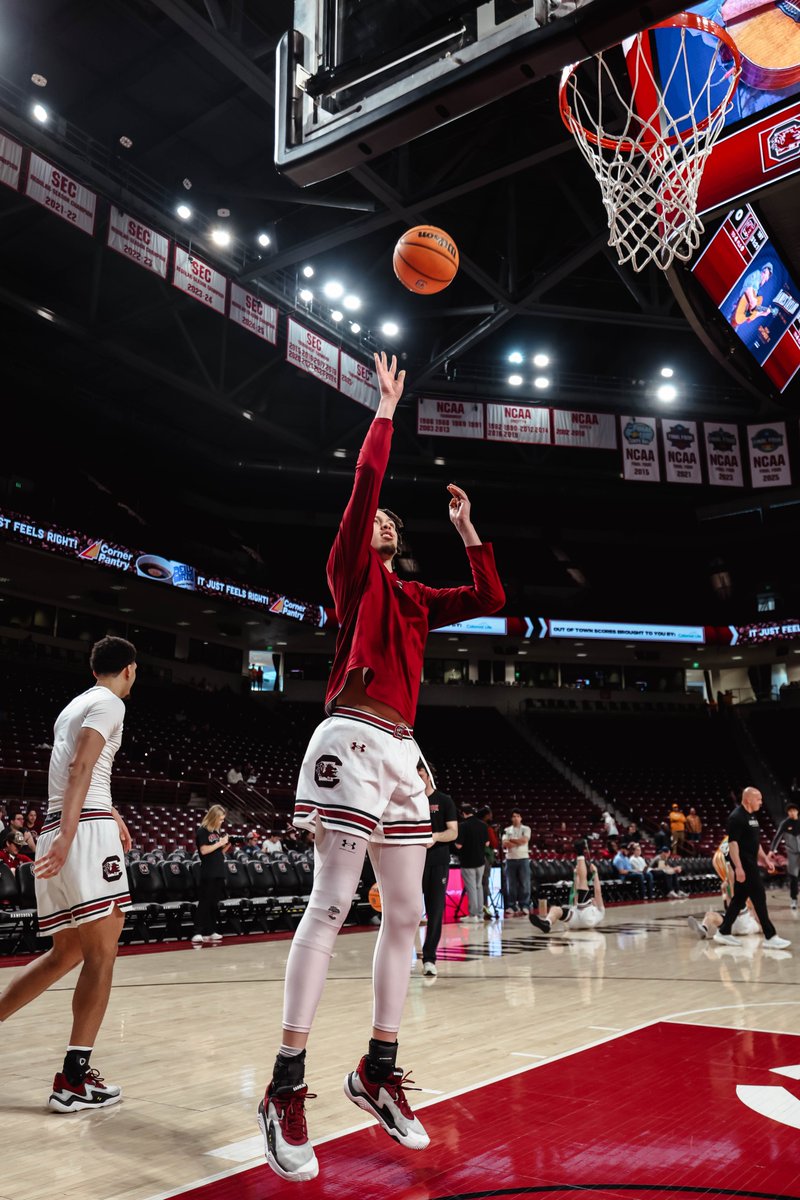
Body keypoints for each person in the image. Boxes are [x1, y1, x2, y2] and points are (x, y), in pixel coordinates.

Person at [259, 351, 504, 1183]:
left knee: (407, 916)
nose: (386, 522)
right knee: (331, 905)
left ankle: (376, 1069)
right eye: (378, 521)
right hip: (350, 737)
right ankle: (283, 1085)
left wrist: (471, 533)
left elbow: (491, 601)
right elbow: (364, 487)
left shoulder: (416, 599)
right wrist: (385, 411)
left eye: (396, 523)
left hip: (404, 751)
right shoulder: (352, 576)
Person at [0, 636, 136, 1112]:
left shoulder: (75, 705)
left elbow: (78, 771)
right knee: (103, 954)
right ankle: (74, 1081)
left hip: (62, 823)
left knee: (66, 953)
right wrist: (75, 832)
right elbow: (83, 764)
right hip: (82, 833)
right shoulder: (110, 703)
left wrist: (104, 812)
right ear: (129, 670)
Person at [713, 787, 790, 949]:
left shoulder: (752, 817)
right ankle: (770, 936)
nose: (761, 802)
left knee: (739, 899)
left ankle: (723, 931)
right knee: (759, 897)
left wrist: (765, 859)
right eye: (758, 799)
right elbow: (732, 844)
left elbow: (755, 842)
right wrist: (738, 868)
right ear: (748, 799)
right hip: (745, 864)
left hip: (751, 862)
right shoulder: (736, 817)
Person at [417, 760, 458, 976]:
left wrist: (436, 836)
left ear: (430, 776)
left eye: (421, 775)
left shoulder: (444, 800)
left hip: (438, 861)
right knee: (409, 912)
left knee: (435, 912)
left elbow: (453, 832)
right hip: (412, 862)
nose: (418, 779)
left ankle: (429, 959)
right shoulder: (408, 802)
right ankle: (405, 955)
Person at [529, 842, 604, 932]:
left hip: (585, 919)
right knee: (555, 909)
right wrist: (576, 876)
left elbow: (597, 891)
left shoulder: (599, 910)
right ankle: (547, 923)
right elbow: (577, 893)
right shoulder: (595, 909)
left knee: (583, 882)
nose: (592, 898)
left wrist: (595, 874)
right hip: (577, 920)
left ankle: (580, 852)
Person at [192, 805, 228, 944]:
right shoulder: (202, 831)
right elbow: (204, 850)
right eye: (220, 819)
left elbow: (219, 852)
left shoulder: (216, 832)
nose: (221, 822)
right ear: (213, 817)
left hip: (219, 870)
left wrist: (227, 844)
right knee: (205, 902)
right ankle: (197, 932)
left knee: (214, 903)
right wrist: (220, 842)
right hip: (208, 871)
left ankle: (210, 930)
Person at [456, 804, 490, 924]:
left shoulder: (463, 826)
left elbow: (458, 845)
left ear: (463, 813)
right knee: (479, 886)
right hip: (480, 861)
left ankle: (473, 915)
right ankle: (480, 915)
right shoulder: (483, 825)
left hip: (467, 861)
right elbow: (487, 843)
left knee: (471, 888)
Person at [770, 801, 800, 911]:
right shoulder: (785, 823)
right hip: (792, 854)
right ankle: (793, 899)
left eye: (793, 810)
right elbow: (777, 837)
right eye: (789, 811)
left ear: (797, 811)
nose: (792, 813)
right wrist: (772, 850)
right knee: (794, 878)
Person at [502, 810, 532, 916]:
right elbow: (505, 844)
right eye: (514, 816)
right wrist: (517, 841)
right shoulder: (507, 829)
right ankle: (511, 906)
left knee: (525, 883)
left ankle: (525, 905)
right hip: (510, 859)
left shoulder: (526, 829)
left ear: (521, 818)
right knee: (511, 884)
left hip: (523, 858)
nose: (516, 818)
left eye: (518, 816)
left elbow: (524, 841)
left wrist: (512, 840)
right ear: (511, 818)